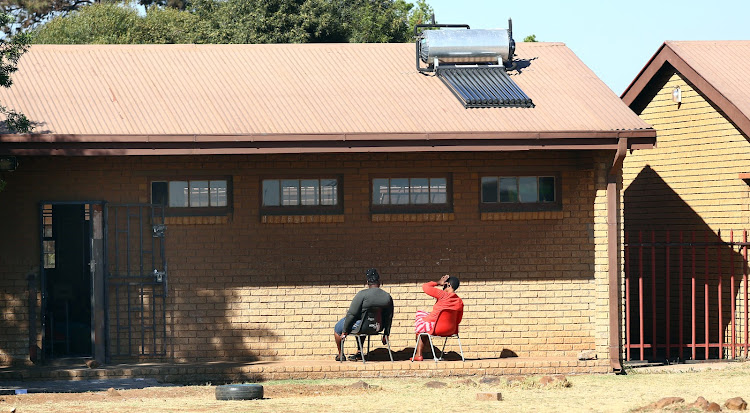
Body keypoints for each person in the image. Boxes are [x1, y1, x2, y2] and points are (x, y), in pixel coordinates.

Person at [333, 268, 394, 361]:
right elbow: (389, 317)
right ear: (379, 282)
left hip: (363, 326)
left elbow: (351, 314)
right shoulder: (387, 296)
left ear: (367, 282)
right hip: (377, 327)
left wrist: (345, 331)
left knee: (338, 328)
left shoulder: (362, 294)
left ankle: (341, 354)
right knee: (362, 322)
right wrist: (386, 333)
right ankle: (359, 352)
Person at [412, 274, 463, 361]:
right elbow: (458, 319)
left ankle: (419, 354)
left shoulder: (443, 295)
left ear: (448, 285)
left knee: (420, 319)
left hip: (436, 328)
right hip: (451, 329)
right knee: (424, 319)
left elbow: (425, 287)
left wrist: (438, 282)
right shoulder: (459, 302)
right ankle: (424, 350)